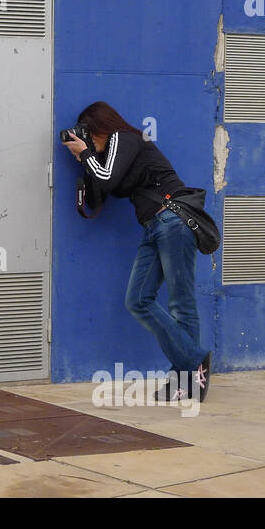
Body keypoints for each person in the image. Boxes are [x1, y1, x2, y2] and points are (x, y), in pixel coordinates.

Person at [62, 101, 211, 402]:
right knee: (138, 300)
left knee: (181, 302)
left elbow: (107, 179)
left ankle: (187, 379)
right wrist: (83, 159)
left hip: (172, 218)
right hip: (153, 225)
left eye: (88, 133)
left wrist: (86, 154)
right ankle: (194, 361)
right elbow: (97, 193)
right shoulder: (108, 155)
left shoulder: (124, 138)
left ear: (101, 126)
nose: (88, 139)